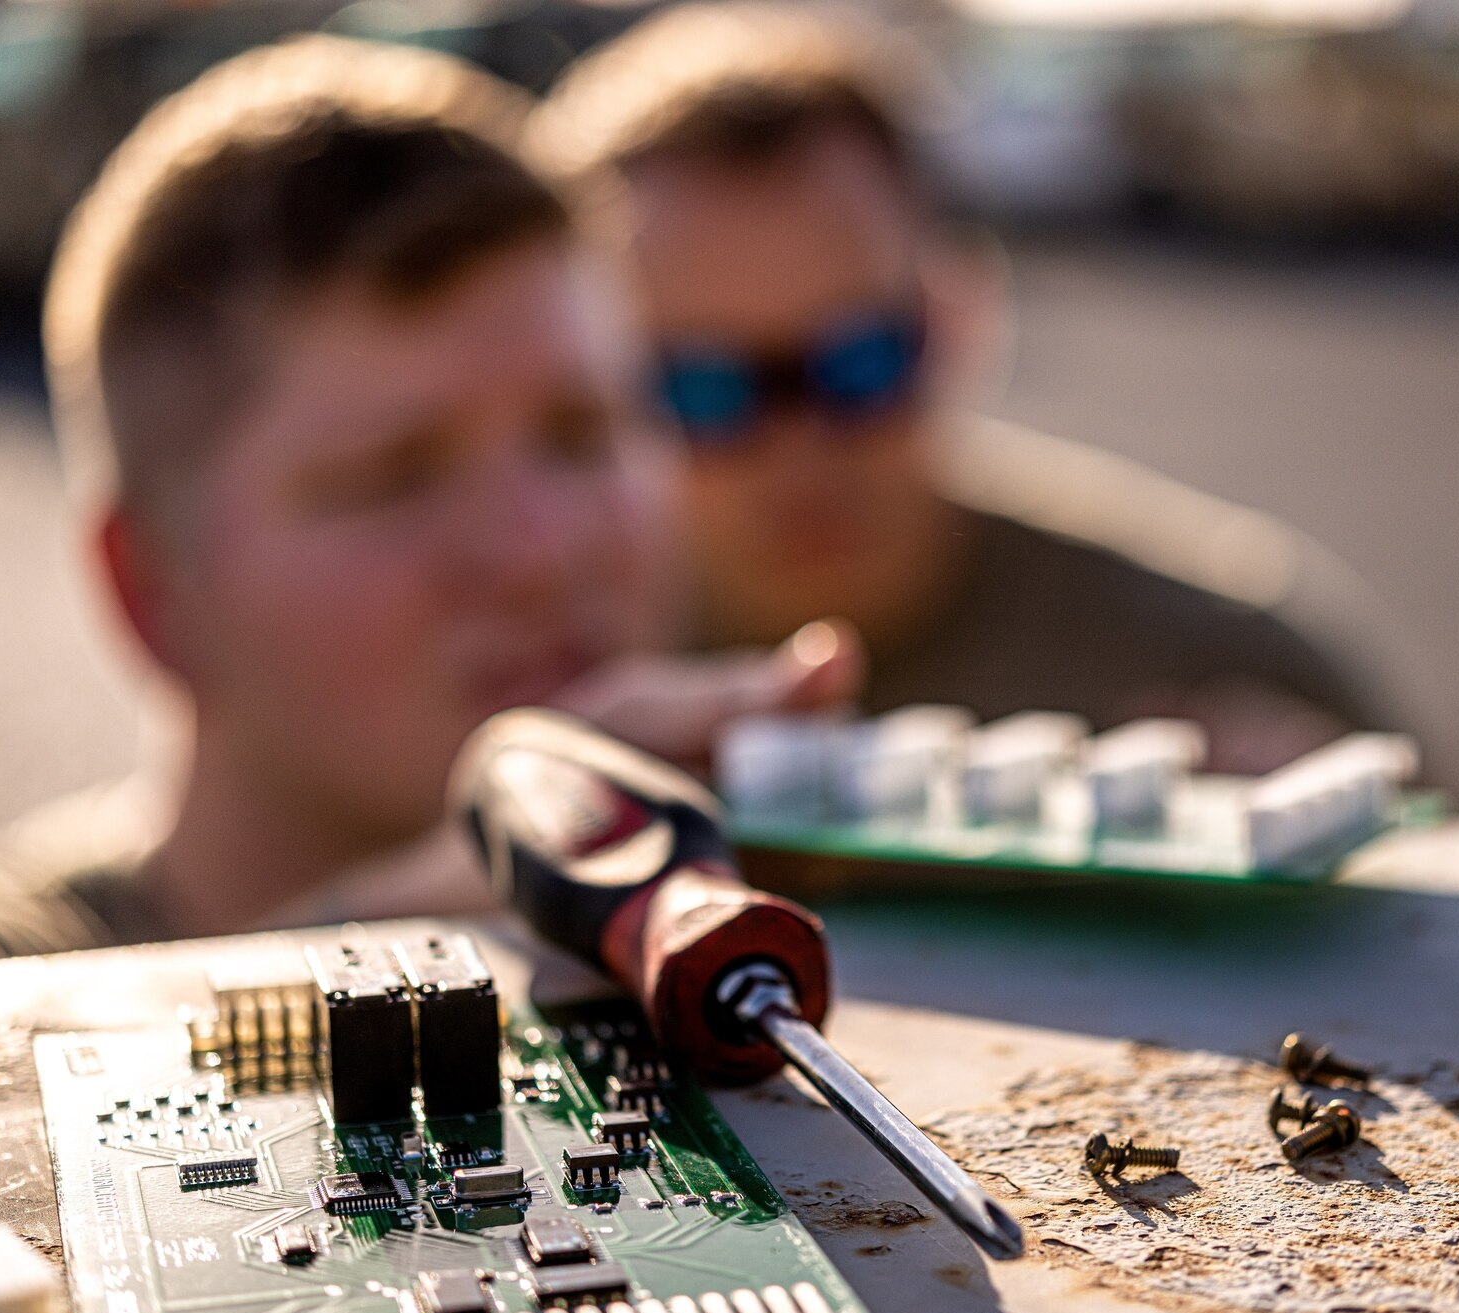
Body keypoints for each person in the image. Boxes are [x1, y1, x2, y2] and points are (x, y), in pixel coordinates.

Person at [0, 36, 859, 969]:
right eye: (394, 475)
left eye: (579, 434)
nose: (540, 547)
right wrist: (377, 954)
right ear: (149, 587)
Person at [529, 2, 1405, 775]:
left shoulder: (1224, 654)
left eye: (858, 363)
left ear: (959, 321)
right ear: (601, 398)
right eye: (706, 388)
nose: (800, 446)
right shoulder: (530, 684)